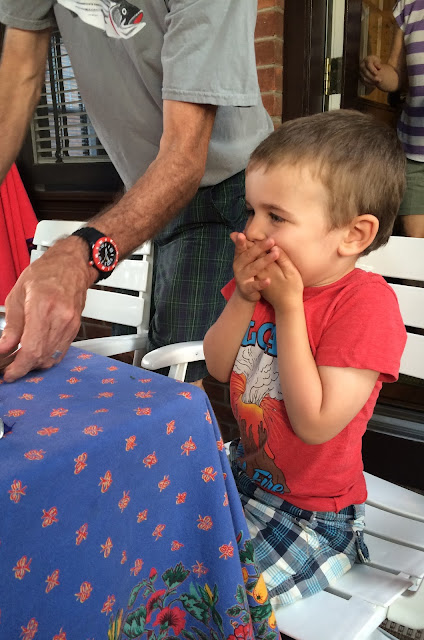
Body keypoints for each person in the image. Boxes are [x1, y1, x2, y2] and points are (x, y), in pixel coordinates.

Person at [0, 1, 273, 385]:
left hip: (221, 184)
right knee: (130, 364)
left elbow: (184, 157)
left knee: (173, 372)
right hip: (145, 185)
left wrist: (77, 258)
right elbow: (19, 70)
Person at [203, 109, 407, 607]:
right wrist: (244, 298)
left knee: (219, 599)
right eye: (252, 211)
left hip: (313, 516)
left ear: (353, 235)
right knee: (154, 534)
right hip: (243, 476)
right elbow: (217, 366)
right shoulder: (262, 287)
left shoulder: (365, 306)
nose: (253, 230)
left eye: (276, 216)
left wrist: (290, 309)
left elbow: (315, 423)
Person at [360, 0, 424, 238]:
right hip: (415, 150)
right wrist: (377, 72)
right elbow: (396, 76)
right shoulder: (409, 4)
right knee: (416, 245)